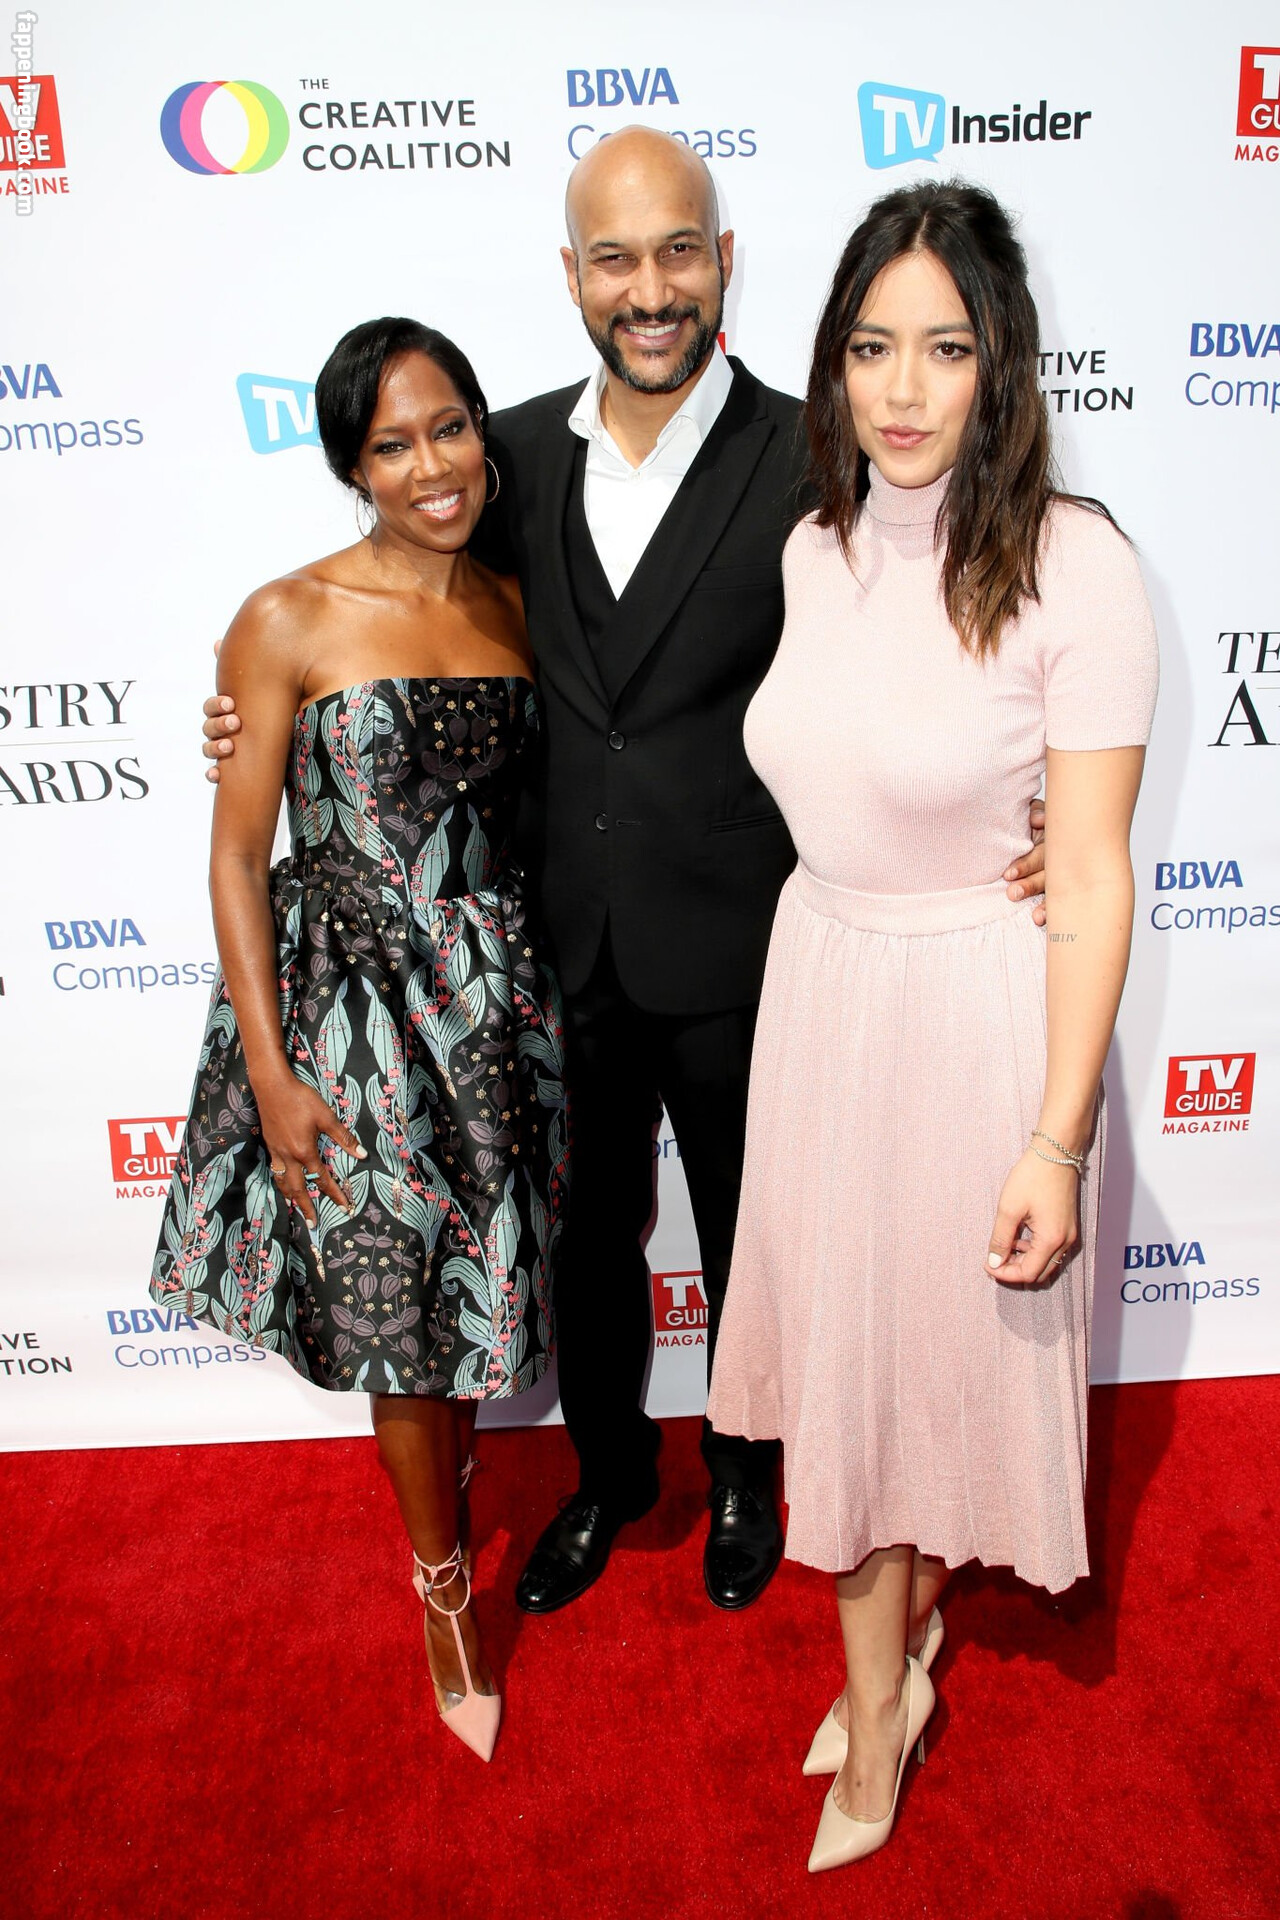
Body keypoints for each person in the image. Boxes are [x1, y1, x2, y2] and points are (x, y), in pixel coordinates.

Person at [202, 129, 1048, 1616]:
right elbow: (402, 616)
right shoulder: (507, 456)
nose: (648, 290)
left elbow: (948, 608)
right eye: (614, 258)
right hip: (541, 954)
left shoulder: (816, 452)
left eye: (676, 252)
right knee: (588, 1242)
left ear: (723, 261)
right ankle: (607, 1474)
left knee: (749, 1232)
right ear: (573, 275)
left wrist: (1039, 788)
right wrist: (250, 714)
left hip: (746, 941)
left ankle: (744, 1471)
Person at [707, 178, 1158, 1871]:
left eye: (947, 349)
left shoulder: (1076, 563)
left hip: (974, 1027)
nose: (904, 389)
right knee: (850, 1368)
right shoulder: (813, 545)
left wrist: (1057, 1139)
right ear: (833, 361)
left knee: (909, 1372)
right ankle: (892, 1656)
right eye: (872, 346)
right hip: (822, 996)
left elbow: (1091, 871)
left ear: (1001, 364)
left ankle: (880, 1709)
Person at [154, 318, 568, 1763]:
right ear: (350, 465)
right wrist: (272, 1072)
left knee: (475, 1295)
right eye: (392, 444)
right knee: (398, 1316)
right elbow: (236, 853)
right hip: (352, 1018)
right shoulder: (286, 618)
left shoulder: (520, 605)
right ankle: (443, 1591)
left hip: (495, 1009)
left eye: (450, 428)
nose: (431, 465)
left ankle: (457, 1486)